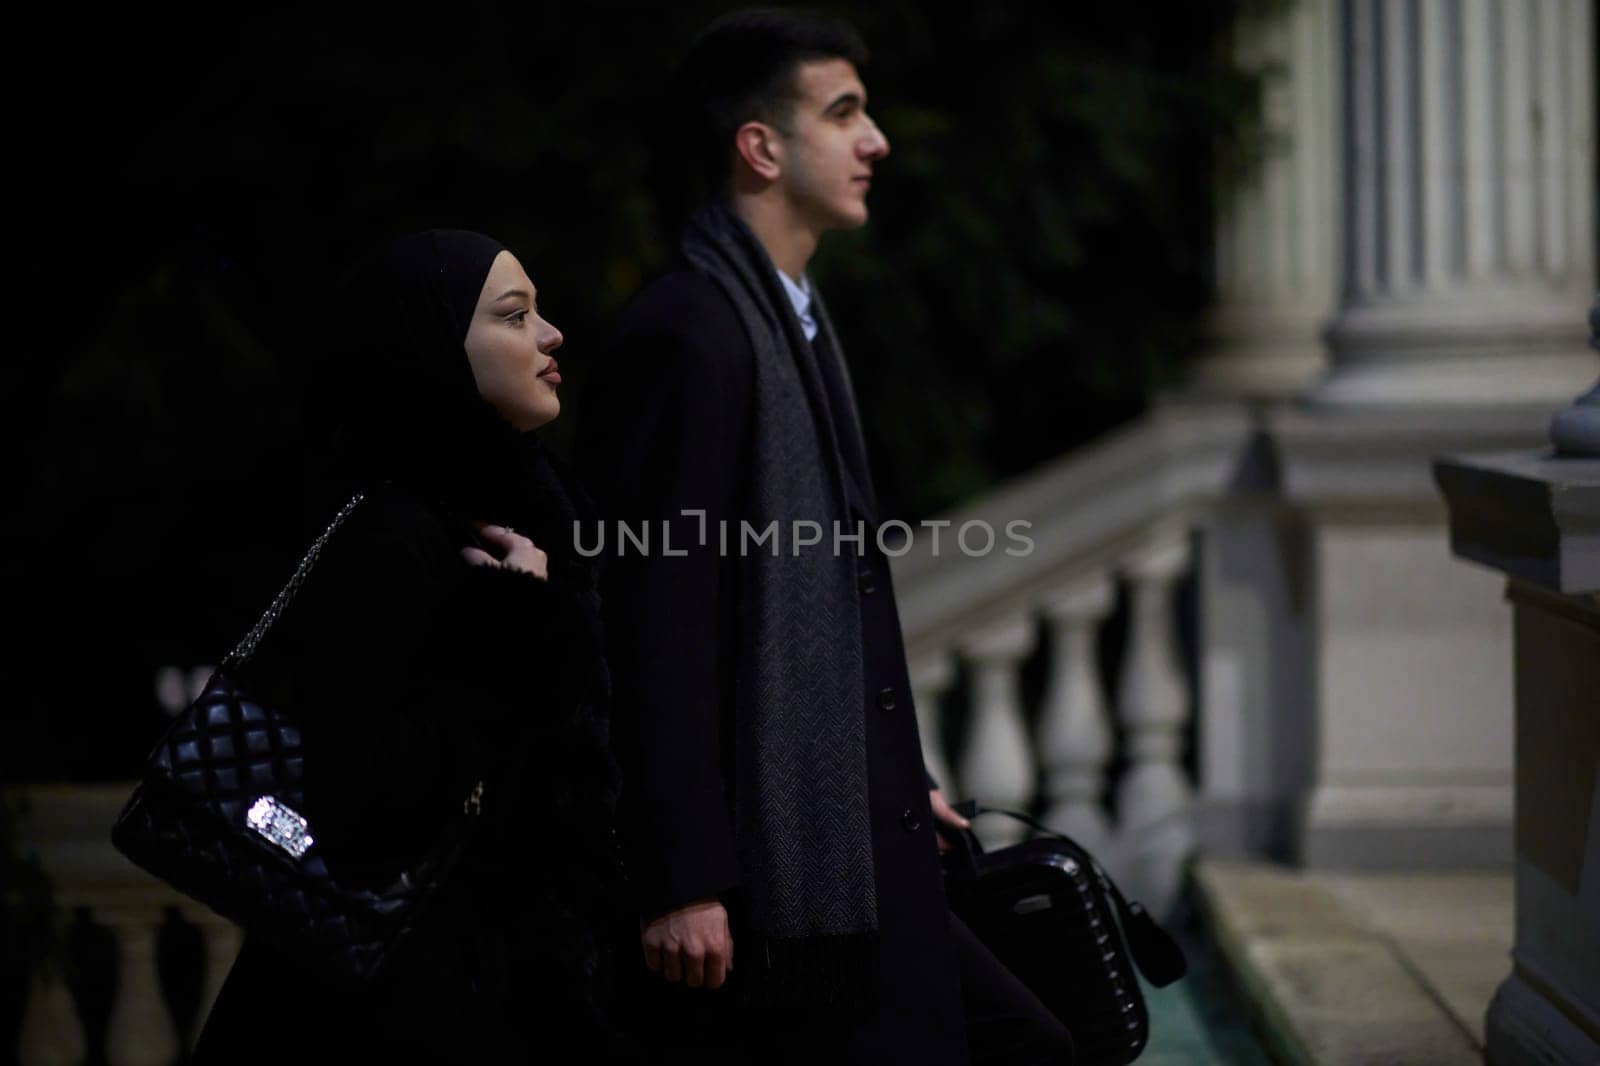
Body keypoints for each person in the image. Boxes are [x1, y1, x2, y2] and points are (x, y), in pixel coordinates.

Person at [578, 11, 1073, 1065]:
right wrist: (681, 875)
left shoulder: (791, 320)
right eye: (842, 112)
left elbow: (830, 610)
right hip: (766, 880)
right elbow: (658, 627)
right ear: (759, 147)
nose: (876, 139)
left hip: (850, 838)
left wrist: (900, 783)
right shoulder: (694, 333)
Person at [192, 230, 631, 1063]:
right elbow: (364, 807)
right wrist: (509, 631)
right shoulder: (396, 536)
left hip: (501, 980)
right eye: (514, 315)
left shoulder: (521, 517)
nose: (552, 334)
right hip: (388, 1002)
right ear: (434, 350)